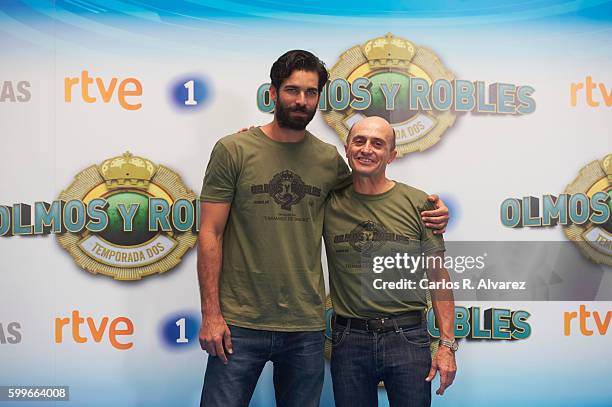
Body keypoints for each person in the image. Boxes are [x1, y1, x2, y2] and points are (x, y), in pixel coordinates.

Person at [197, 50, 450, 407]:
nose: (301, 100)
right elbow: (210, 233)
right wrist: (211, 314)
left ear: (319, 97)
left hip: (306, 327)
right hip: (239, 322)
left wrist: (433, 209)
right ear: (272, 93)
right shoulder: (233, 150)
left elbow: (373, 190)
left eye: (311, 92)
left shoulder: (329, 160)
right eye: (292, 90)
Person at [324, 116, 457, 407]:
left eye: (377, 143)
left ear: (392, 155)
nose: (366, 149)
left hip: (407, 338)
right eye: (359, 141)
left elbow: (438, 277)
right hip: (349, 341)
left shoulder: (419, 204)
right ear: (346, 150)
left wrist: (447, 344)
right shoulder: (327, 202)